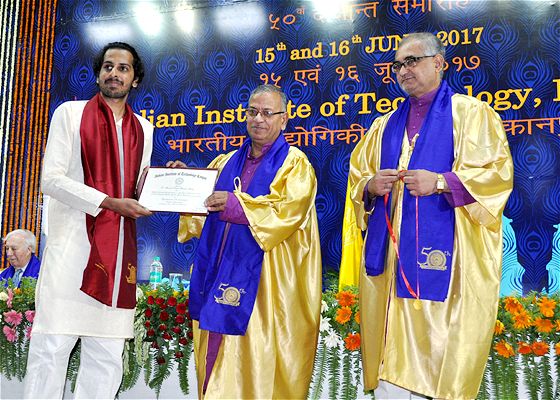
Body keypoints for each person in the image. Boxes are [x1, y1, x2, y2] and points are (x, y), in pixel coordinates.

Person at [348, 32, 513, 399]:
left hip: (446, 268)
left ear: (439, 63)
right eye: (397, 65)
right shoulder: (383, 126)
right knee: (390, 370)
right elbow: (359, 179)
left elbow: (496, 177)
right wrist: (370, 186)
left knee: (436, 361)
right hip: (391, 267)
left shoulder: (471, 114)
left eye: (412, 61)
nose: (403, 70)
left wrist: (440, 182)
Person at [172, 84, 322, 399]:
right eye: (252, 112)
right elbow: (202, 213)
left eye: (267, 113)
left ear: (284, 119)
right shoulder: (225, 162)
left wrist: (235, 204)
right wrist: (184, 185)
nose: (258, 119)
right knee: (217, 368)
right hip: (219, 277)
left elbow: (286, 213)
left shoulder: (295, 165)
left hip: (266, 289)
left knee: (257, 367)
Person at [23, 42, 153, 399]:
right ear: (98, 75)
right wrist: (108, 202)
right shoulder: (70, 114)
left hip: (117, 259)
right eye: (108, 66)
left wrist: (164, 182)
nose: (114, 73)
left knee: (106, 357)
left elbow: (137, 189)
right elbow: (51, 180)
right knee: (51, 352)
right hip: (71, 253)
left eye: (123, 68)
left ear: (135, 80)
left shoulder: (144, 129)